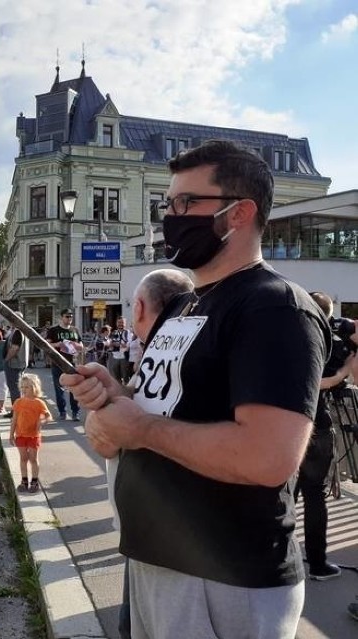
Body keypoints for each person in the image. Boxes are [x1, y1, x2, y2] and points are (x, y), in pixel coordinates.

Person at [62, 139, 330, 638]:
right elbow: (164, 414)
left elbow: (267, 457)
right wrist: (114, 400)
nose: (172, 215)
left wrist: (138, 427)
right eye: (169, 203)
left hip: (223, 578)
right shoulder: (184, 307)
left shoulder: (273, 307)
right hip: (156, 562)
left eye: (187, 203)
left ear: (238, 214)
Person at [110, 268, 194, 639]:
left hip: (163, 540)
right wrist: (114, 394)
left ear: (139, 308)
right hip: (149, 532)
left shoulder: (169, 354)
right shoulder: (165, 352)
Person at [298, 292, 356, 581]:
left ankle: (272, 557)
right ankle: (318, 565)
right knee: (314, 495)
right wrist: (344, 369)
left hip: (287, 427)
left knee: (284, 495)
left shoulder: (293, 337)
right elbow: (318, 382)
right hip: (316, 426)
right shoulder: (329, 344)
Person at [9, 373, 51, 494]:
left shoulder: (39, 403)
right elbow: (14, 420)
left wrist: (42, 421)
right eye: (22, 387)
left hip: (33, 436)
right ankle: (24, 480)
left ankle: (35, 481)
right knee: (23, 458)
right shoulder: (18, 402)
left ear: (34, 387)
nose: (24, 389)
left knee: (33, 459)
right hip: (21, 435)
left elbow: (48, 417)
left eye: (27, 387)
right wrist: (11, 434)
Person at [45, 308, 83, 421]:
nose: (70, 318)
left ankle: (75, 412)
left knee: (74, 389)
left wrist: (77, 345)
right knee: (59, 388)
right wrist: (59, 344)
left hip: (73, 363)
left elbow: (81, 345)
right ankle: (62, 411)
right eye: (67, 316)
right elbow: (47, 344)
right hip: (58, 363)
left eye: (71, 316)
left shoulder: (75, 330)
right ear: (61, 317)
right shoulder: (53, 330)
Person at [3, 313, 29, 417]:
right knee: (17, 388)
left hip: (14, 364)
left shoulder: (18, 332)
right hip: (19, 363)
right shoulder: (21, 330)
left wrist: (6, 359)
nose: (10, 320)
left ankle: (17, 412)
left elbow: (14, 348)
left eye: (11, 318)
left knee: (15, 389)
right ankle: (17, 410)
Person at [107, 317, 131, 385]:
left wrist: (118, 344)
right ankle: (119, 391)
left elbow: (128, 345)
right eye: (119, 322)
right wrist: (111, 344)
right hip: (114, 357)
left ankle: (126, 392)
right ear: (116, 323)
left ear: (125, 323)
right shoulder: (114, 332)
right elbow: (110, 344)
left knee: (126, 377)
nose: (120, 324)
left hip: (124, 357)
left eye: (122, 322)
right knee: (116, 378)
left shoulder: (128, 333)